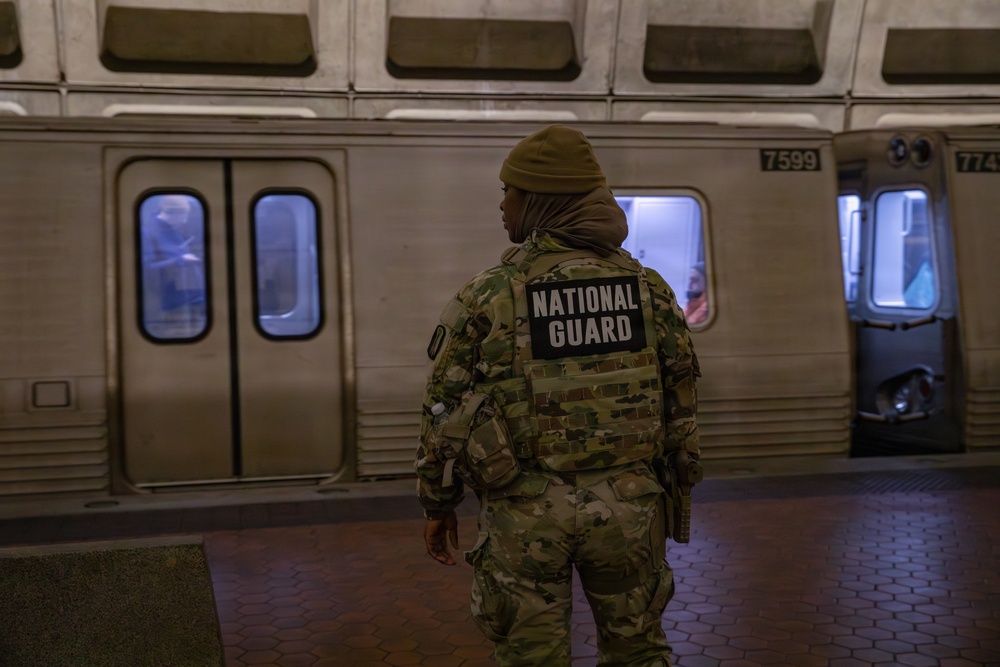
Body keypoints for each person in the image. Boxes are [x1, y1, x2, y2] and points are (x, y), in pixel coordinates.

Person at [416, 125, 701, 666]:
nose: (502, 204)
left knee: (531, 657)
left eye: (511, 192)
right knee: (638, 653)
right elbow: (680, 406)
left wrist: (438, 501)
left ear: (543, 202)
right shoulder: (650, 290)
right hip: (631, 509)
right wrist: (672, 487)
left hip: (525, 513)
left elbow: (443, 412)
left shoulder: (490, 294)